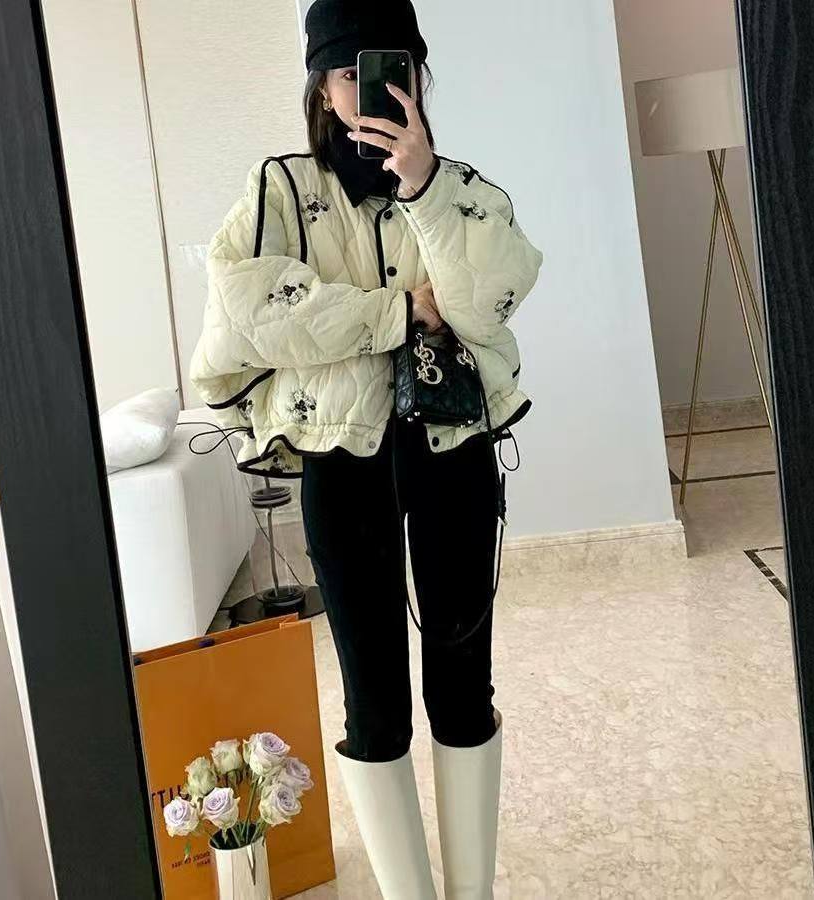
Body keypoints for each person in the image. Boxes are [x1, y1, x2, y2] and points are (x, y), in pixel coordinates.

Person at [190, 2, 543, 895]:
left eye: (394, 68)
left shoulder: (461, 190)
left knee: (463, 685)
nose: (374, 88)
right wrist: (395, 312)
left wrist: (422, 189)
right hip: (341, 462)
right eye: (351, 72)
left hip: (454, 451)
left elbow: (488, 300)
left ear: (419, 76)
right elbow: (248, 311)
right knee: (372, 701)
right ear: (321, 86)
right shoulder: (279, 189)